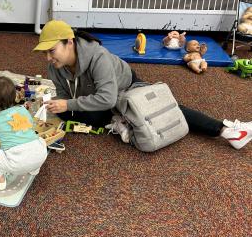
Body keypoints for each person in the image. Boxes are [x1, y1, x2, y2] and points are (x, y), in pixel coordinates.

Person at [33, 20, 252, 150]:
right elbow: (63, 96)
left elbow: (107, 97)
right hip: (99, 97)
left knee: (160, 107)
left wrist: (69, 104)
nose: (48, 58)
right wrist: (62, 105)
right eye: (44, 53)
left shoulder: (97, 57)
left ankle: (225, 129)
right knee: (68, 114)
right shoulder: (55, 66)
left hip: (126, 86)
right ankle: (122, 117)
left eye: (51, 51)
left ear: (69, 42)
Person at [0, 76, 48, 190]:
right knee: (40, 140)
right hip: (41, 156)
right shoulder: (23, 110)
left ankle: (0, 182)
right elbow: (31, 125)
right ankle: (34, 170)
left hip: (17, 163)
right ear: (15, 96)